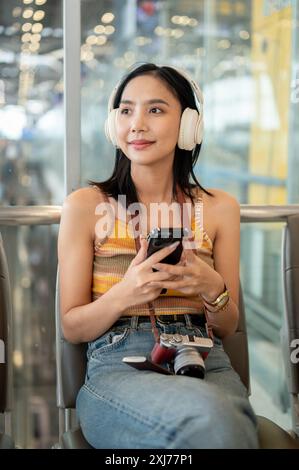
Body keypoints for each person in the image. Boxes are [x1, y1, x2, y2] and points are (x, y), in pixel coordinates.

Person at [58, 63, 258, 449]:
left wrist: (211, 287)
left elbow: (228, 326)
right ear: (114, 123)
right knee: (214, 422)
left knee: (220, 421)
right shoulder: (86, 206)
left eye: (155, 110)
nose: (136, 124)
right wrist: (126, 292)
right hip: (119, 364)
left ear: (188, 126)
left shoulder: (219, 209)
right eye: (127, 110)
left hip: (203, 356)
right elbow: (72, 327)